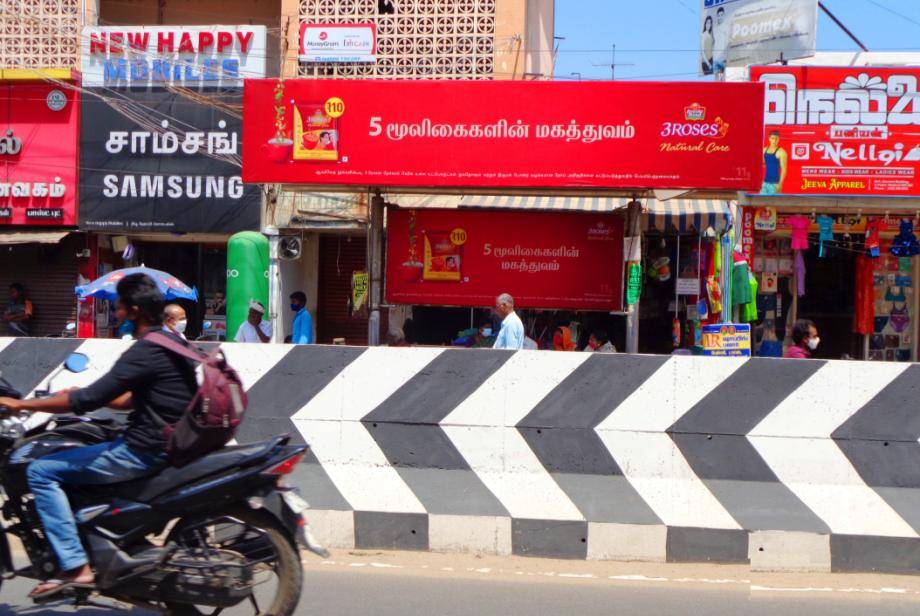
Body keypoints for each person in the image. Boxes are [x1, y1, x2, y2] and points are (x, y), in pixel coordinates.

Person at [0, 274, 197, 598]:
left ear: (133, 310)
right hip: (168, 441)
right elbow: (136, 396)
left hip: (144, 449)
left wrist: (22, 403)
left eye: (118, 307)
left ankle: (77, 567)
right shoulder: (171, 341)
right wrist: (88, 394)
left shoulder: (145, 350)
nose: (116, 313)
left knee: (41, 471)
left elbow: (86, 401)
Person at [762, 130, 788, 194]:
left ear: (778, 139)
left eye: (776, 139)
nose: (774, 141)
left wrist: (780, 184)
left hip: (775, 184)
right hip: (765, 183)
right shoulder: (764, 150)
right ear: (769, 139)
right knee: (761, 202)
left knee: (773, 203)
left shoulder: (782, 152)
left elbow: (784, 170)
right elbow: (764, 164)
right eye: (772, 138)